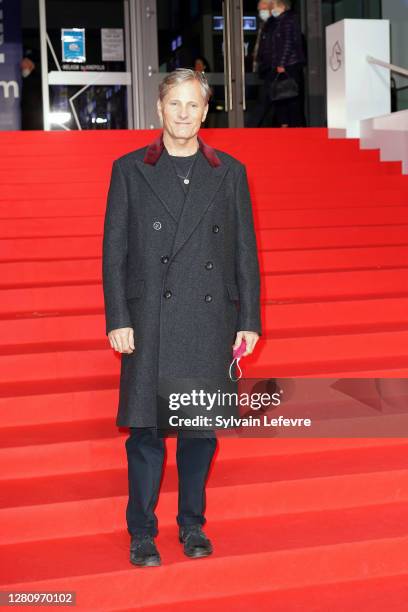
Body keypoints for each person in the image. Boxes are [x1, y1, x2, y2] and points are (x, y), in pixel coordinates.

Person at [102, 68, 262, 567]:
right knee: (146, 435)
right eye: (175, 104)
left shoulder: (229, 172)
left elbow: (244, 252)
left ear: (206, 111)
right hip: (149, 320)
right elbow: (114, 252)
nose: (184, 114)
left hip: (208, 321)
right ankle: (142, 532)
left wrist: (249, 320)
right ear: (159, 108)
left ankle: (192, 525)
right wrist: (118, 317)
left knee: (198, 433)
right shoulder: (130, 169)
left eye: (194, 105)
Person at [247, 0, 306, 127]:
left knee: (290, 96)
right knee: (280, 97)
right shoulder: (274, 23)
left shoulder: (288, 20)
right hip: (274, 66)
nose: (272, 9)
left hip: (286, 65)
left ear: (282, 6)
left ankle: (296, 127)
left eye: (274, 6)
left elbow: (288, 44)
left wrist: (281, 64)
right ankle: (285, 125)